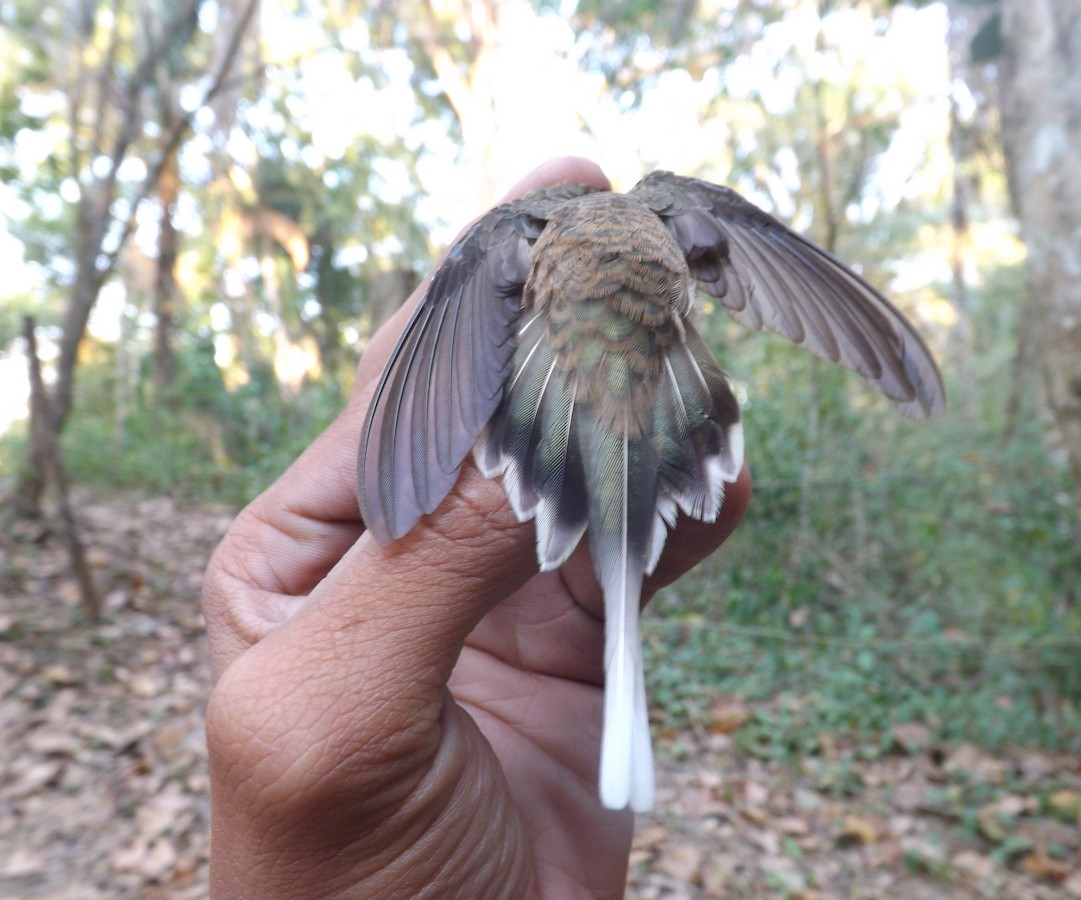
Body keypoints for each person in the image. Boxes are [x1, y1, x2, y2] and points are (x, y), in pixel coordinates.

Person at [202, 157, 750, 899]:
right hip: (657, 354)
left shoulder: (504, 229)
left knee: (612, 538)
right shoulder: (678, 201)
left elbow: (448, 318)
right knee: (621, 564)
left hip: (574, 356)